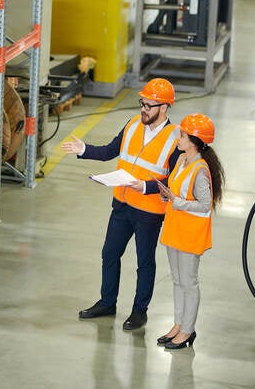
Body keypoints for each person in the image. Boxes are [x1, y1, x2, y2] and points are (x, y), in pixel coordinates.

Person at [62, 78, 181, 331]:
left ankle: (140, 312)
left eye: (150, 105)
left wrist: (147, 187)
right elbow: (109, 151)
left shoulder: (175, 139)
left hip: (149, 212)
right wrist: (84, 149)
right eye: (142, 103)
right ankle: (107, 303)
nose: (144, 109)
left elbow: (174, 179)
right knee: (110, 253)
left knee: (144, 262)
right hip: (122, 204)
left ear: (165, 108)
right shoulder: (132, 124)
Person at [155, 113, 225, 349]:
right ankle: (178, 324)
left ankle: (187, 330)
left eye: (183, 135)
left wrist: (177, 201)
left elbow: (205, 205)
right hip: (175, 228)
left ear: (194, 141)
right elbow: (178, 192)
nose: (179, 136)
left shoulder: (201, 170)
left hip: (190, 233)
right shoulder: (181, 160)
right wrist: (169, 196)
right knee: (177, 281)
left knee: (189, 282)